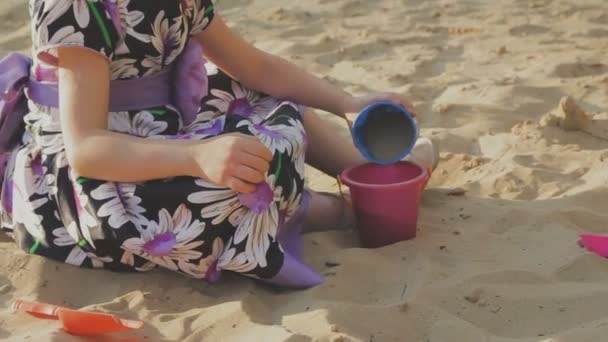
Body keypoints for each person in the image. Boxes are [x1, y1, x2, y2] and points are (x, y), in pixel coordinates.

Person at [0, 0, 437, 288]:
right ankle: (330, 210)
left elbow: (257, 67)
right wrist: (197, 155)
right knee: (206, 201)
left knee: (254, 91)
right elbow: (87, 149)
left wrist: (348, 103)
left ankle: (365, 174)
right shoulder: (76, 5)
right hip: (91, 171)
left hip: (163, 127)